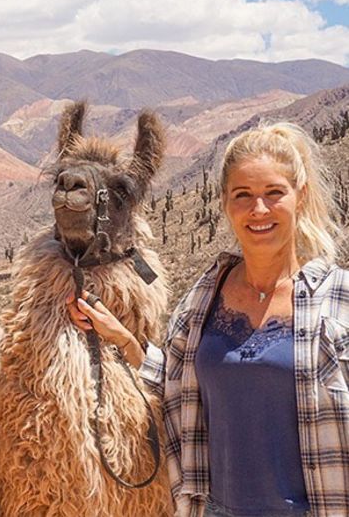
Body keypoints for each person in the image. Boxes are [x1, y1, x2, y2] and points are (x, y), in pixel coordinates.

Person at [68, 122, 348, 516]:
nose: (259, 210)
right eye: (243, 195)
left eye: (274, 193)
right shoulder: (205, 297)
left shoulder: (337, 300)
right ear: (224, 202)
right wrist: (126, 341)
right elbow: (179, 383)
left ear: (299, 197)